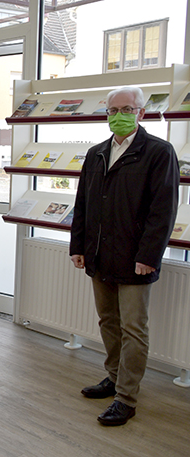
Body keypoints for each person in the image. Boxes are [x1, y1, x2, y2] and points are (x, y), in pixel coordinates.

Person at [70, 86, 179, 426]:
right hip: (100, 255)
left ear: (141, 112)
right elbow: (83, 204)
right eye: (113, 109)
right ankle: (114, 377)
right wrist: (78, 246)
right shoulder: (97, 153)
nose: (119, 115)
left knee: (134, 327)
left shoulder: (159, 152)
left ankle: (127, 398)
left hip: (136, 259)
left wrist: (149, 255)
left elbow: (163, 211)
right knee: (108, 321)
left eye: (127, 109)